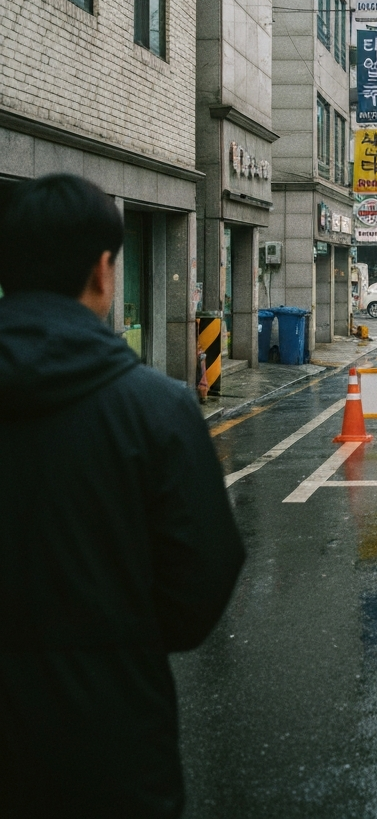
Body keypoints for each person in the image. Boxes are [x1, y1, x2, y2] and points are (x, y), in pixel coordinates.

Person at [0, 175, 245, 818]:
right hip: (110, 740)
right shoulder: (156, 409)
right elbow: (204, 576)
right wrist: (119, 639)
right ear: (103, 272)